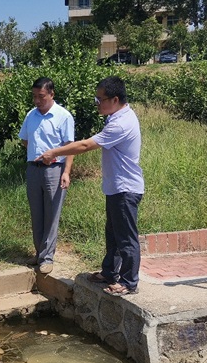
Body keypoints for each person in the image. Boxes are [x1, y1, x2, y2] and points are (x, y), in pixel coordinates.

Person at [36, 76, 144, 295]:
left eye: (100, 99)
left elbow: (86, 145)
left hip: (125, 189)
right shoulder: (115, 117)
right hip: (116, 187)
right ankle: (109, 273)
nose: (97, 103)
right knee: (113, 234)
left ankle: (129, 282)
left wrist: (54, 152)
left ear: (115, 99)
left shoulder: (121, 123)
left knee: (126, 238)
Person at [18, 77, 75, 274]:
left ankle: (47, 257)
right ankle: (39, 253)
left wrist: (66, 172)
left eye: (41, 96)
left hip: (54, 170)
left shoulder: (63, 116)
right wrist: (37, 153)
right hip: (33, 168)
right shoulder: (31, 116)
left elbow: (70, 147)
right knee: (37, 213)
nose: (37, 100)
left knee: (52, 215)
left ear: (51, 94)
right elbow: (25, 140)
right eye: (34, 96)